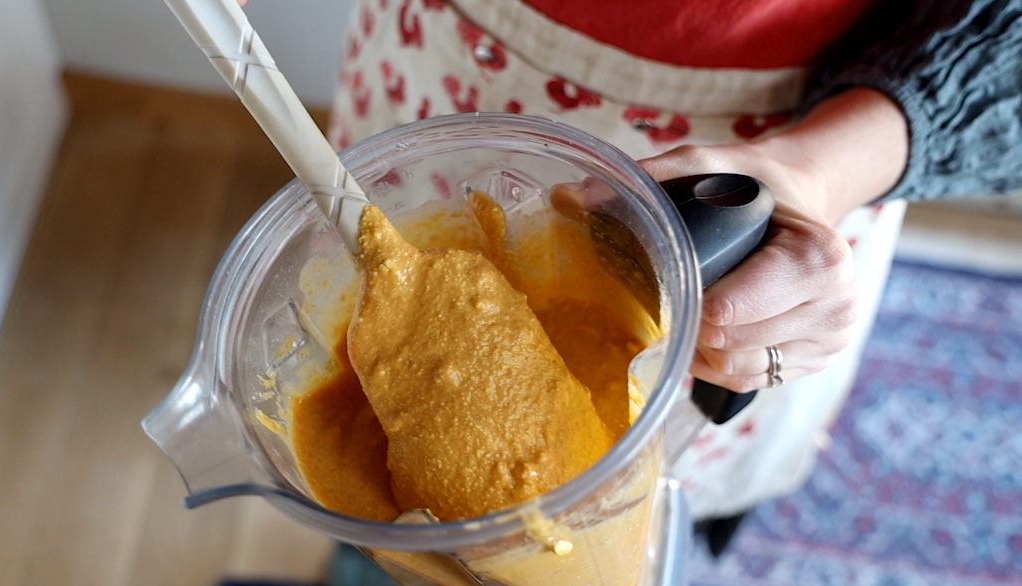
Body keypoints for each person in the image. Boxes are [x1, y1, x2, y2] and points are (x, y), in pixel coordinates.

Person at [323, 0, 1022, 537]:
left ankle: (655, 545)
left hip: (776, 142)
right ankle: (404, 564)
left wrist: (815, 171)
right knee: (374, 387)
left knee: (675, 462)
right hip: (447, 59)